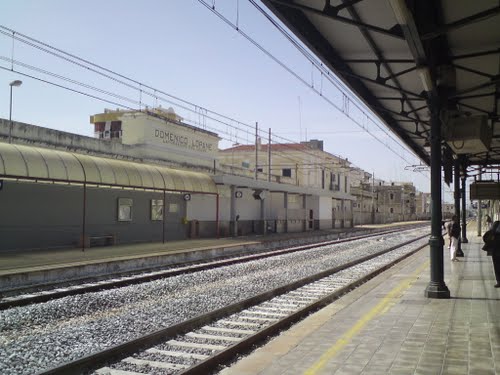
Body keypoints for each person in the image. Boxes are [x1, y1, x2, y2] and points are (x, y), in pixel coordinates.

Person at [482, 221, 500, 287]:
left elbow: (485, 237)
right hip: (496, 251)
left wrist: (490, 242)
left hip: (495, 251)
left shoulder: (494, 228)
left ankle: (499, 281)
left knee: (497, 267)